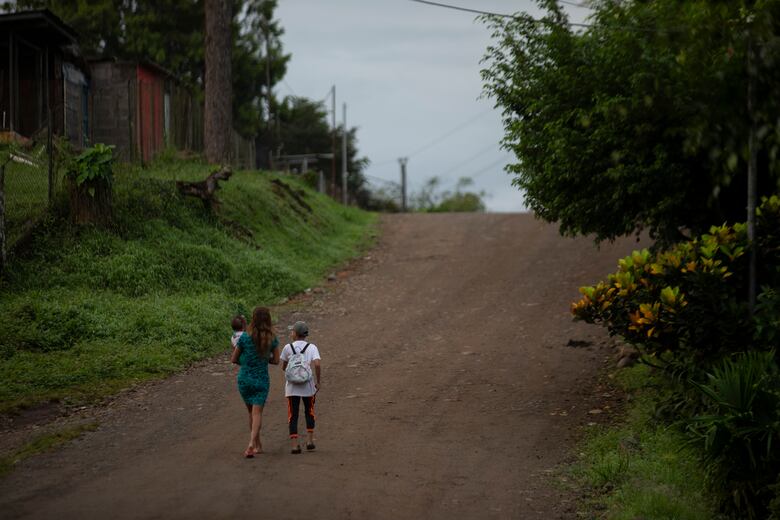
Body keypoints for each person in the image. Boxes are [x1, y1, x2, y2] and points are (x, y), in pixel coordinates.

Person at [231, 307, 280, 458]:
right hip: (261, 380)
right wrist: (264, 360)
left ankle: (258, 445)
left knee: (251, 412)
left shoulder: (245, 337)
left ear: (253, 319)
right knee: (257, 412)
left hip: (244, 379)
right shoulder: (272, 338)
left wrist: (247, 363)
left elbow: (234, 359)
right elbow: (276, 360)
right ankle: (252, 443)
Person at [279, 321, 321, 454]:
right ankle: (309, 441)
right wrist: (318, 381)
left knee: (293, 415)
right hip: (308, 386)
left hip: (292, 388)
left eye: (292, 331)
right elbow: (318, 364)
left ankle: (294, 445)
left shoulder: (287, 347)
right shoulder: (312, 347)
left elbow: (284, 367)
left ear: (295, 334)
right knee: (309, 412)